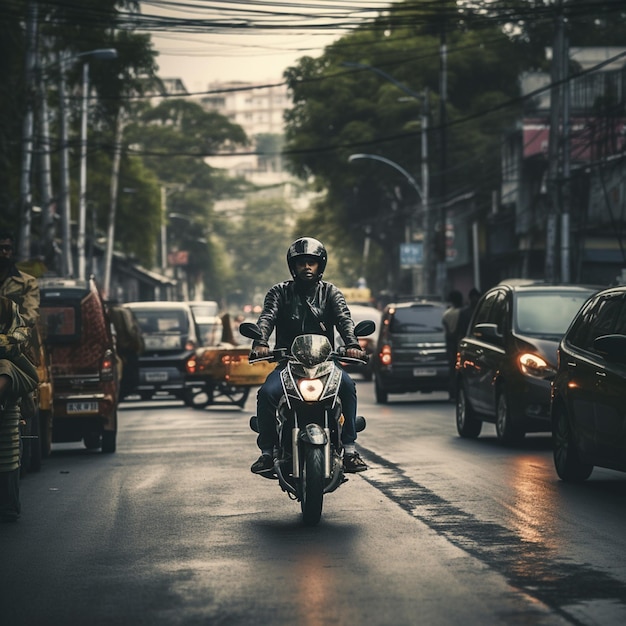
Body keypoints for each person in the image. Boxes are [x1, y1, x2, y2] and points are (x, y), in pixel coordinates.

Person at [249, 237, 368, 474]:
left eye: (311, 263)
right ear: (293, 267)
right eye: (301, 262)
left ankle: (350, 449)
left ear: (320, 265)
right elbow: (267, 318)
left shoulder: (331, 293)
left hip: (326, 363)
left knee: (348, 387)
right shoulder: (279, 293)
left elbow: (345, 320)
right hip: (288, 364)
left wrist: (352, 344)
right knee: (266, 394)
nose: (306, 267)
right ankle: (267, 452)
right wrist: (260, 342)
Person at [0, 296, 39, 522]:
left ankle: (7, 505)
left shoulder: (7, 307)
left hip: (10, 391)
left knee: (7, 456)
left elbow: (20, 339)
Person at [442, 290, 464, 401]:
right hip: (460, 343)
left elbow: (446, 330)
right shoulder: (463, 313)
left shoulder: (446, 314)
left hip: (450, 343)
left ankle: (452, 393)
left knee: (452, 368)